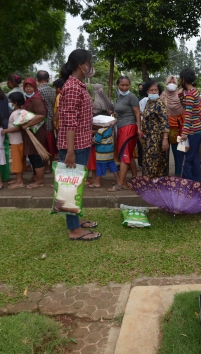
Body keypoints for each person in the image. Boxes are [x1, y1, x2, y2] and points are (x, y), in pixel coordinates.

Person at [58, 49, 100, 241]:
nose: (90, 66)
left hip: (81, 143)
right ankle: (74, 230)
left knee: (76, 185)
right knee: (70, 187)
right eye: (89, 62)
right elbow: (69, 122)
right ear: (80, 65)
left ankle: (76, 220)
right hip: (73, 147)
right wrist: (70, 151)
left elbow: (80, 119)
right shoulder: (73, 87)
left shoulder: (79, 85)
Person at [113, 75, 141, 190]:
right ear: (118, 85)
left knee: (124, 156)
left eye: (127, 85)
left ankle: (120, 184)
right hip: (121, 128)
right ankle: (135, 178)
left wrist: (139, 127)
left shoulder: (132, 96)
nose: (124, 87)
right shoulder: (118, 97)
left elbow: (137, 113)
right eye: (122, 85)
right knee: (128, 155)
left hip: (129, 128)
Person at [21, 77, 48, 189]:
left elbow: (41, 115)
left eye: (30, 86)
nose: (28, 88)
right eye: (26, 86)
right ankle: (36, 177)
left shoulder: (36, 99)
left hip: (36, 132)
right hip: (31, 132)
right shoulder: (30, 99)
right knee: (32, 155)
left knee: (36, 156)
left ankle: (40, 180)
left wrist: (28, 124)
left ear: (35, 87)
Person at [178, 68, 201, 182]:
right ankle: (197, 182)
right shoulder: (195, 91)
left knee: (185, 158)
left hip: (190, 132)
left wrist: (184, 134)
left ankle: (188, 183)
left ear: (183, 80)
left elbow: (188, 115)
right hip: (197, 130)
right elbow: (189, 107)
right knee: (195, 157)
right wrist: (180, 96)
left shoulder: (189, 94)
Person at [140, 80, 169, 179]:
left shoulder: (160, 104)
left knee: (155, 159)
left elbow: (164, 122)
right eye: (151, 90)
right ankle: (149, 181)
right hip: (148, 137)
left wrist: (165, 139)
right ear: (147, 91)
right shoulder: (148, 102)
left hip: (156, 137)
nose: (153, 92)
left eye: (155, 90)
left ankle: (156, 181)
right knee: (148, 159)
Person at [2, 92, 27, 189]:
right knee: (20, 161)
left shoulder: (16, 113)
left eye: (10, 101)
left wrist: (6, 131)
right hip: (18, 140)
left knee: (17, 161)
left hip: (17, 141)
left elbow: (17, 128)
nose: (9, 103)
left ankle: (19, 181)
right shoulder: (21, 111)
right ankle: (18, 179)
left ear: (15, 102)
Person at [160, 76, 184, 176]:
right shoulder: (162, 96)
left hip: (181, 129)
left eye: (173, 82)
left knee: (181, 154)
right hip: (165, 129)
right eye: (169, 82)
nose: (171, 84)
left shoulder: (182, 95)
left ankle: (180, 175)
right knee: (164, 153)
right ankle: (165, 175)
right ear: (166, 83)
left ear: (177, 83)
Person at [36, 70, 58, 173]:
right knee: (51, 145)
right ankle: (51, 165)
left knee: (43, 145)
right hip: (51, 120)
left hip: (41, 122)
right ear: (48, 79)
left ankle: (46, 166)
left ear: (37, 80)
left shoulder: (37, 91)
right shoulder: (53, 91)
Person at [93, 124, 120, 189]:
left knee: (99, 167)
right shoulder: (110, 129)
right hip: (110, 152)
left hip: (102, 153)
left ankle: (97, 182)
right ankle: (118, 180)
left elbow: (97, 141)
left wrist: (92, 140)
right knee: (112, 166)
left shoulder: (100, 130)